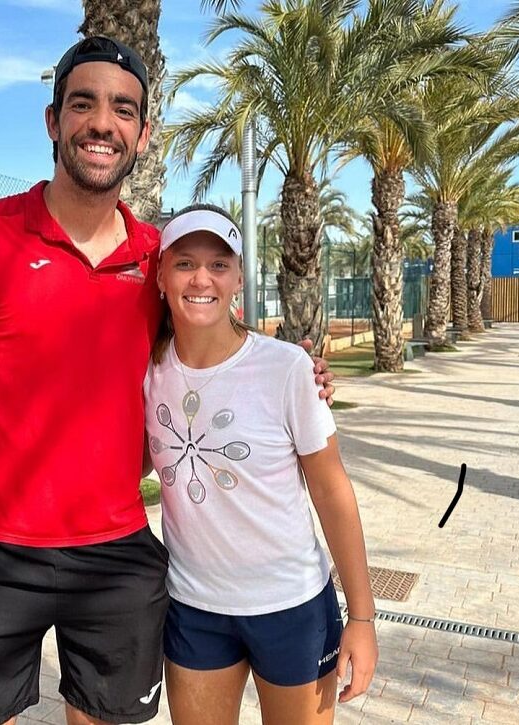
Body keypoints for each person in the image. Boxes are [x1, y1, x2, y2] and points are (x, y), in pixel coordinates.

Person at [0, 36, 334, 725]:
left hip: (117, 559)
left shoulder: (159, 261)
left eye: (122, 109)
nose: (102, 123)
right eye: (83, 104)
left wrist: (299, 369)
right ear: (53, 122)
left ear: (142, 133)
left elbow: (224, 351)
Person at [144, 204, 377, 725]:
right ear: (161, 276)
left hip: (292, 607)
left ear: (238, 280)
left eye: (219, 265)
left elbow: (332, 491)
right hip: (194, 607)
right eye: (184, 263)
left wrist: (361, 616)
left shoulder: (288, 367)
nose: (201, 278)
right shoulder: (147, 371)